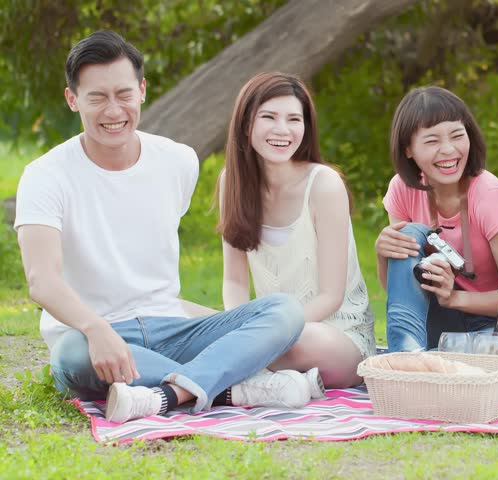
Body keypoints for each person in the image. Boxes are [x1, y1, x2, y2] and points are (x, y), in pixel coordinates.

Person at [14, 31, 318, 424]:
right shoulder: (45, 176)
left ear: (142, 90)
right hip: (93, 336)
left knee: (284, 310)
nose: (113, 110)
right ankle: (234, 386)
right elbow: (42, 281)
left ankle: (171, 392)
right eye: (97, 97)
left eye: (123, 94)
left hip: (173, 329)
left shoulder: (178, 161)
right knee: (70, 353)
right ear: (73, 100)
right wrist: (95, 327)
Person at [219, 72, 375, 388]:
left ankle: (239, 370)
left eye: (294, 119)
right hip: (263, 331)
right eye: (269, 117)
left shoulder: (324, 185)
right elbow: (234, 281)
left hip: (333, 337)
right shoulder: (231, 184)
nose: (283, 130)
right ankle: (266, 384)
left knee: (302, 340)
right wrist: (237, 325)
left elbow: (331, 296)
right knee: (173, 311)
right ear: (247, 125)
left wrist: (263, 332)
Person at [376, 86, 498, 352]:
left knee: (473, 359)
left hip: (497, 324)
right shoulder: (402, 188)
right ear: (408, 149)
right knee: (408, 233)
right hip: (440, 319)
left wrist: (454, 298)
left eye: (457, 135)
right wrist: (382, 253)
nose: (448, 150)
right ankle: (406, 357)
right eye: (432, 141)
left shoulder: (488, 195)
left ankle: (427, 360)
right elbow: (401, 295)